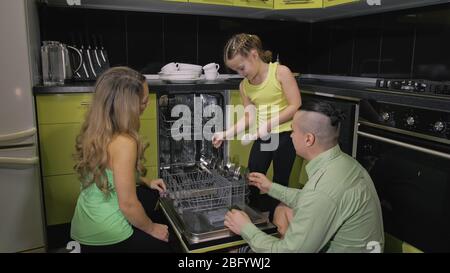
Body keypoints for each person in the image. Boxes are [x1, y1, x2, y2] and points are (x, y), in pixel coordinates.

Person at [224, 101, 385, 253]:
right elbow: (311, 199)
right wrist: (270, 187)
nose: (291, 136)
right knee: (283, 208)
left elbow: (318, 199)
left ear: (308, 139)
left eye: (293, 131)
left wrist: (245, 228)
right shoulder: (345, 163)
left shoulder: (322, 189)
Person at [70, 67, 171, 253]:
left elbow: (112, 173)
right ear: (127, 106)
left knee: (151, 195)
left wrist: (146, 181)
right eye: (143, 102)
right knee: (168, 244)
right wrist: (152, 228)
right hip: (109, 236)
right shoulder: (125, 142)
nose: (146, 105)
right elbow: (128, 205)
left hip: (83, 229)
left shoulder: (95, 129)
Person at [212, 33, 301, 219]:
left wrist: (268, 125)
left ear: (254, 55)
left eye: (241, 67)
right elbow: (248, 117)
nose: (240, 73)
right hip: (263, 136)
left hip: (287, 135)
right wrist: (225, 133)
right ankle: (250, 218)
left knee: (280, 181)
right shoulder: (245, 86)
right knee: (253, 176)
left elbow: (295, 105)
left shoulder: (280, 72)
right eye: (236, 70)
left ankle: (278, 222)